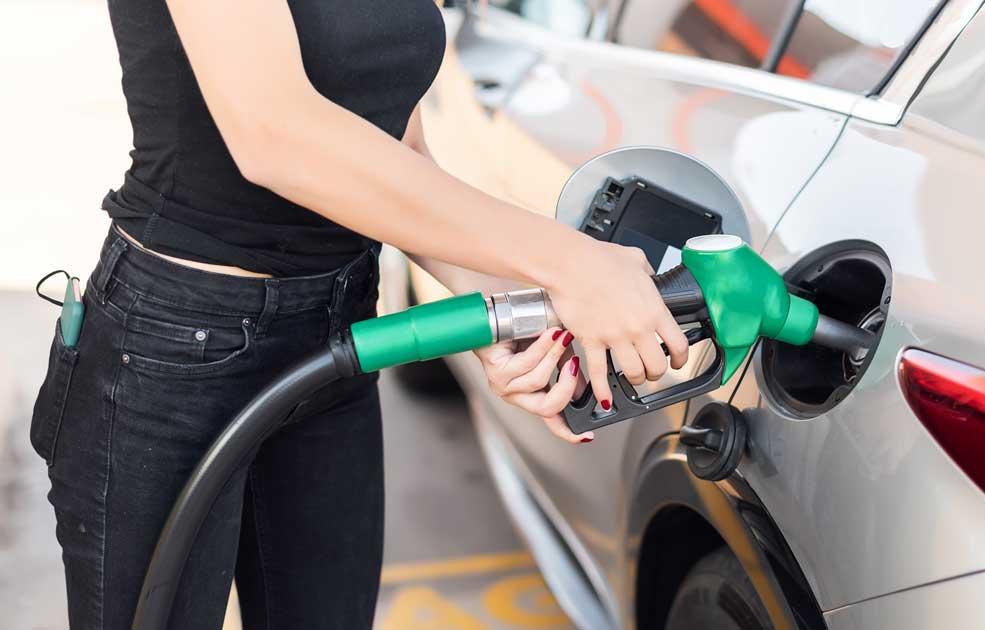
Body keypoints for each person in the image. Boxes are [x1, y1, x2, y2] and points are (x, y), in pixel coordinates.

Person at [27, 1, 688, 628]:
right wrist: (565, 261)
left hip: (338, 331)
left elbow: (396, 152)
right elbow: (273, 132)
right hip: (174, 345)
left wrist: (492, 309)